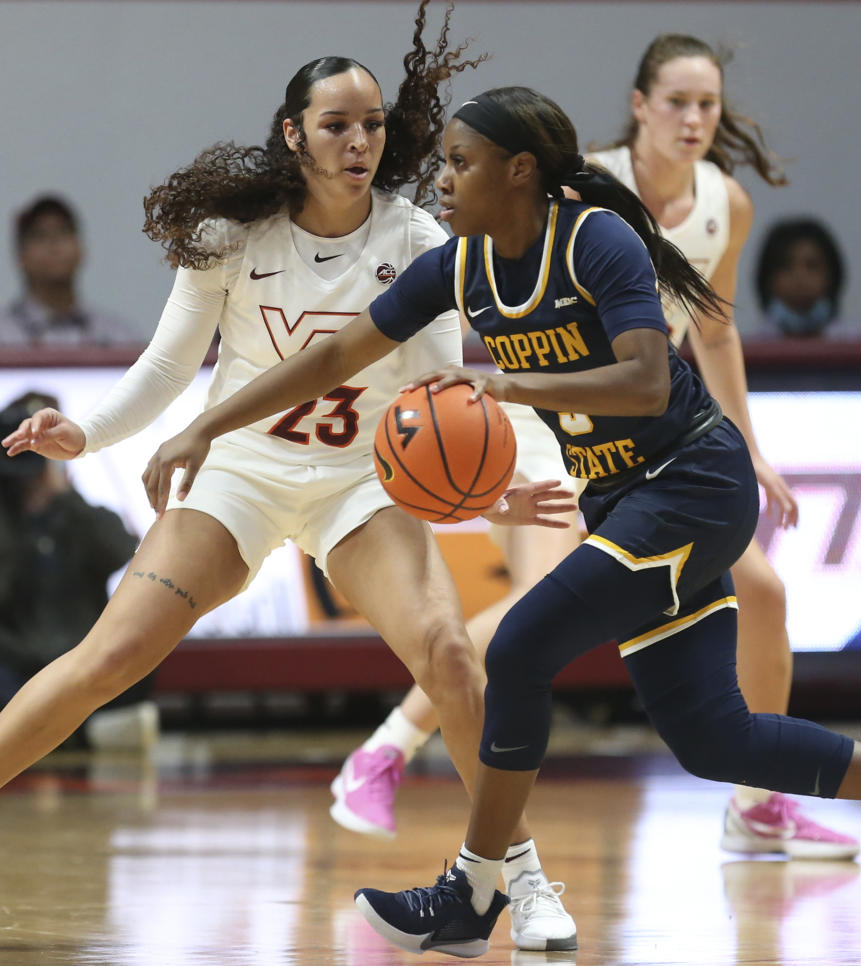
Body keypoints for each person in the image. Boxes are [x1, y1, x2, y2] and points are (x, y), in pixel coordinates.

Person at [131, 84, 861, 959]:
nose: (440, 181)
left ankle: (475, 892)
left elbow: (646, 380)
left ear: (518, 170)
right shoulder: (459, 265)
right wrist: (203, 424)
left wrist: (508, 383)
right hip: (622, 499)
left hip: (692, 483)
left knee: (521, 645)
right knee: (717, 740)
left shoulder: (595, 240)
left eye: (459, 162)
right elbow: (335, 355)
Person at [0, 8, 579, 953]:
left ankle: (521, 878)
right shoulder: (232, 238)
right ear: (293, 133)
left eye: (373, 125)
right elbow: (163, 371)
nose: (359, 142)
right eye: (336, 125)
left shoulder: (421, 237)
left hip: (363, 482)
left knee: (450, 652)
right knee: (107, 658)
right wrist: (87, 430)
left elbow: (443, 392)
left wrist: (491, 490)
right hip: (243, 472)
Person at [586, 34, 858, 858]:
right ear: (640, 105)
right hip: (567, 440)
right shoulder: (591, 188)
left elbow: (714, 329)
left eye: (708, 104)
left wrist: (748, 449)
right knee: (513, 630)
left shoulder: (725, 204)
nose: (695, 118)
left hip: (663, 449)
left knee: (764, 596)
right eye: (678, 102)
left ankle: (760, 804)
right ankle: (414, 765)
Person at [329, 333, 584, 843]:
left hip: (632, 440)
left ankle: (756, 799)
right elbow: (446, 304)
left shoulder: (705, 255)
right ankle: (386, 749)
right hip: (547, 426)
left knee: (754, 591)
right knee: (542, 595)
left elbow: (715, 334)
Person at [0, 392, 155, 749]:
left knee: (145, 644)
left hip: (79, 657)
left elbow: (120, 550)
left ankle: (59, 732)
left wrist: (64, 494)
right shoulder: (6, 523)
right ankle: (80, 734)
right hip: (18, 662)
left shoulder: (81, 514)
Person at [0, 195, 144, 347]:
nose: (54, 244)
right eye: (40, 236)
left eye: (64, 232)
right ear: (20, 256)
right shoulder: (4, 336)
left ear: (80, 249)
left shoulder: (118, 338)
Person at [754, 216, 854, 339]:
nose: (799, 278)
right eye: (786, 266)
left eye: (812, 266)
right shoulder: (749, 351)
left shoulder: (857, 346)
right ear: (768, 279)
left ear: (831, 276)